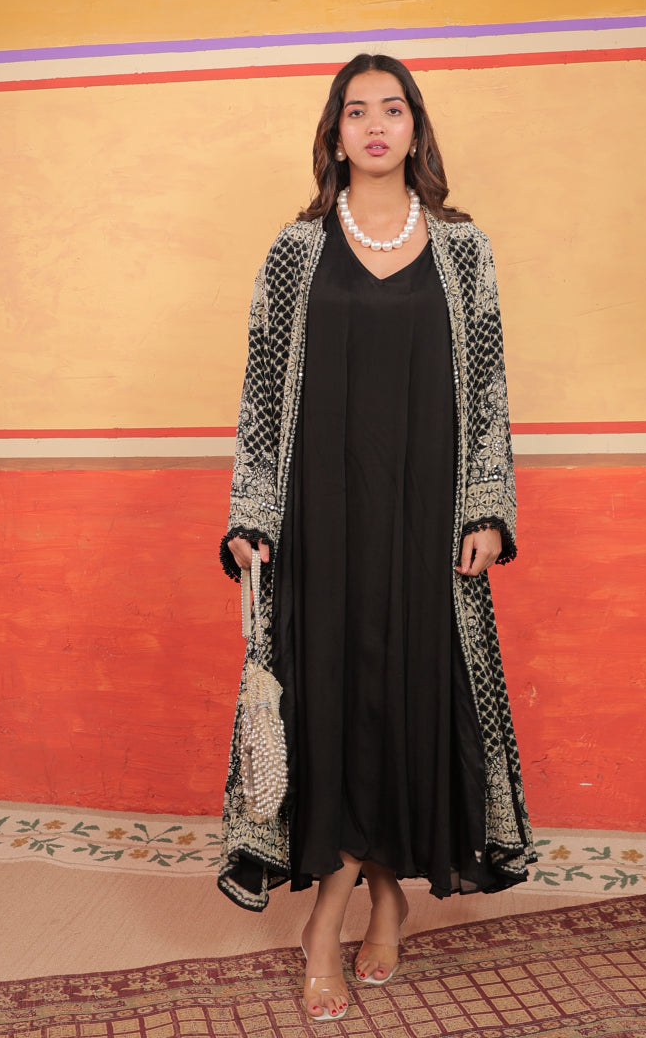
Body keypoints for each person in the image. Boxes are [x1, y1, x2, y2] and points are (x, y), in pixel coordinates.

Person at [218, 53, 537, 1022]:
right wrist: (251, 515)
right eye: (355, 111)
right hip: (320, 518)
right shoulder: (295, 250)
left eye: (391, 109)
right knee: (334, 704)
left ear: (414, 127)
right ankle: (351, 909)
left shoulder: (463, 248)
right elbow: (260, 390)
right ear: (334, 132)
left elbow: (487, 386)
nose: (374, 126)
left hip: (428, 519)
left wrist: (487, 508)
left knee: (408, 698)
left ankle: (369, 903)